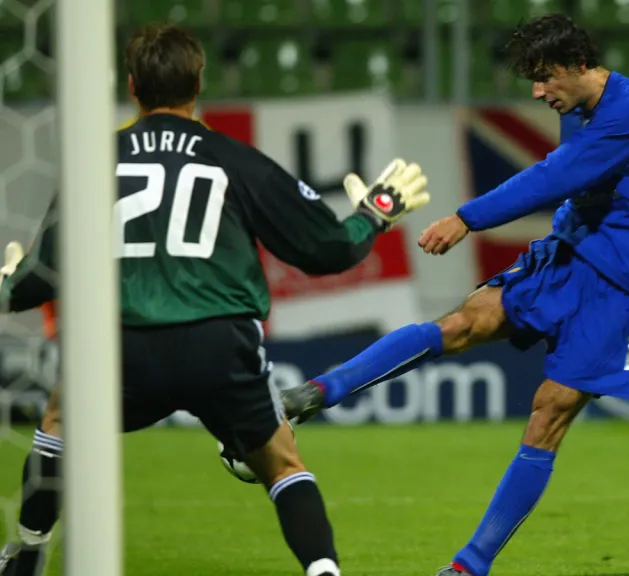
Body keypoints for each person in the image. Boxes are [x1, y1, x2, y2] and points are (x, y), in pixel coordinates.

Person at [0, 23, 430, 576]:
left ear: (131, 85)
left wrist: (10, 286)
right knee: (280, 462)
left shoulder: (97, 160)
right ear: (198, 82)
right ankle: (324, 571)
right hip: (219, 341)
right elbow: (325, 251)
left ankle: (28, 553)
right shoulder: (233, 158)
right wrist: (376, 212)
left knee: (59, 422)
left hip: (121, 345)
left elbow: (48, 272)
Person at [281, 14, 629, 576]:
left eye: (546, 77)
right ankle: (313, 394)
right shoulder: (581, 108)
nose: (537, 91)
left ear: (577, 66)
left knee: (548, 412)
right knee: (463, 322)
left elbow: (553, 178)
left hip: (616, 290)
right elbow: (616, 194)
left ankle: (469, 566)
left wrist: (466, 219)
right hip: (570, 254)